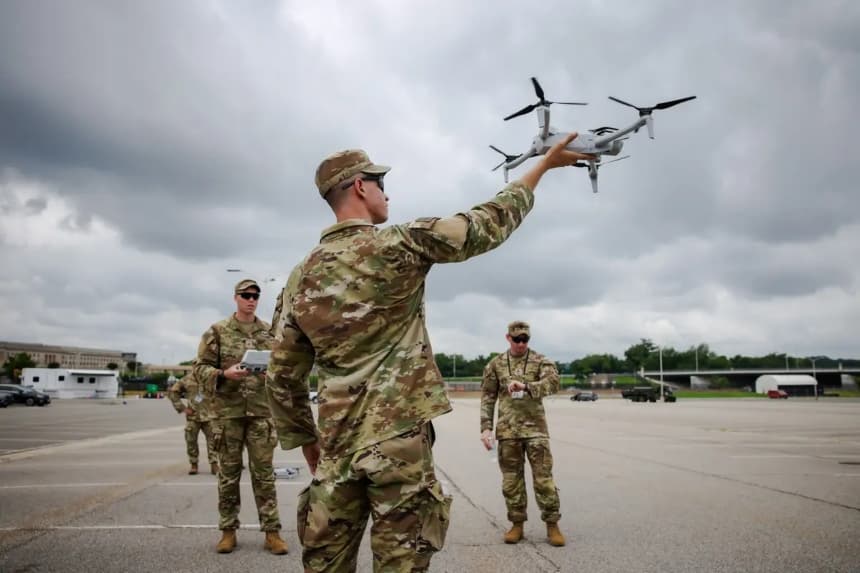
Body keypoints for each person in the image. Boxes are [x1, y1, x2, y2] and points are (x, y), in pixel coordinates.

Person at [266, 132, 592, 572]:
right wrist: (542, 167)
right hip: (398, 443)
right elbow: (484, 222)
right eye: (379, 182)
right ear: (360, 186)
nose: (386, 192)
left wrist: (306, 440)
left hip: (336, 449)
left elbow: (282, 375)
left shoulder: (299, 276)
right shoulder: (399, 243)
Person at [194, 279, 288, 555]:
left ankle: (272, 533)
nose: (251, 300)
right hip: (228, 414)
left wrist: (270, 371)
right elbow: (199, 369)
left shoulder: (269, 332)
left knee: (264, 476)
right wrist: (224, 374)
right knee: (228, 475)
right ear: (235, 298)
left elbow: (282, 368)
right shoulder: (218, 332)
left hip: (261, 413)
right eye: (246, 295)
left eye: (255, 296)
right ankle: (228, 531)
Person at [480, 321, 565, 547]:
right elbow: (488, 397)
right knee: (511, 482)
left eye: (525, 339)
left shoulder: (540, 360)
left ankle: (552, 524)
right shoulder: (496, 364)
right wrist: (486, 428)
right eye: (516, 339)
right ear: (508, 338)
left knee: (544, 480)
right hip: (507, 431)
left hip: (536, 430)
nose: (521, 343)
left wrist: (527, 387)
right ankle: (516, 524)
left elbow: (554, 383)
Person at [166, 365, 218, 475]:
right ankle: (194, 464)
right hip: (193, 417)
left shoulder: (212, 378)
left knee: (214, 442)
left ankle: (214, 464)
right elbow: (173, 392)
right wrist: (182, 408)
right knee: (191, 441)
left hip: (210, 416)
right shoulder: (186, 379)